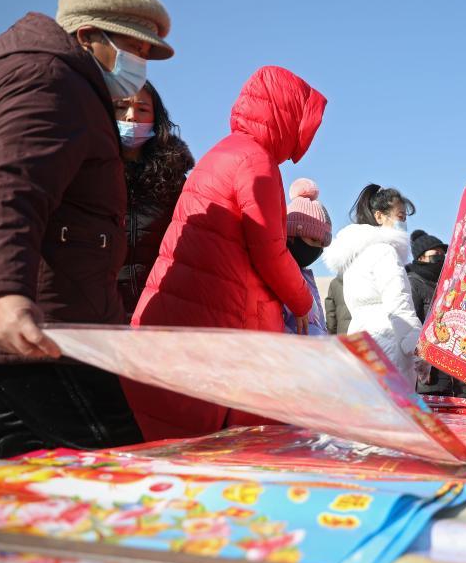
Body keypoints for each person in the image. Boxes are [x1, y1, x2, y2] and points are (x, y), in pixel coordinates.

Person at [0, 0, 173, 458]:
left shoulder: (69, 85)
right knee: (114, 474)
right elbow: (10, 185)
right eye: (134, 48)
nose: (142, 66)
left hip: (51, 326)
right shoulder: (51, 80)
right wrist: (4, 294)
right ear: (89, 36)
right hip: (44, 332)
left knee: (40, 473)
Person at [126, 66, 327, 441]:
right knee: (233, 450)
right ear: (285, 114)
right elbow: (269, 250)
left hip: (186, 313)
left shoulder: (224, 152)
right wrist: (302, 302)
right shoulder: (256, 161)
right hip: (226, 321)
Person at [324, 185, 424, 383]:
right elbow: (400, 305)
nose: (403, 224)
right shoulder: (385, 252)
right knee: (394, 409)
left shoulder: (354, 258)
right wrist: (418, 348)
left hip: (359, 340)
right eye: (401, 217)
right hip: (388, 342)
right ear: (379, 216)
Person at [115, 81, 194, 322]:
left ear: (155, 118)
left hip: (158, 314)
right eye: (122, 107)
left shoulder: (173, 178)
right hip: (100, 314)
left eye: (142, 109)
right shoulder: (89, 170)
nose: (131, 117)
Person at [408, 230, 466, 397]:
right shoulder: (413, 282)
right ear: (421, 258)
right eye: (436, 253)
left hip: (457, 364)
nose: (441, 257)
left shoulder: (450, 283)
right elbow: (412, 325)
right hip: (430, 371)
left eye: (443, 253)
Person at [282, 179, 333, 336]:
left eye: (321, 245)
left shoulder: (306, 277)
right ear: (291, 236)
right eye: (312, 240)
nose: (316, 249)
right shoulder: (279, 275)